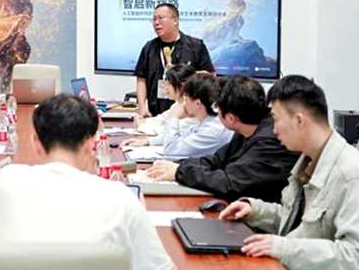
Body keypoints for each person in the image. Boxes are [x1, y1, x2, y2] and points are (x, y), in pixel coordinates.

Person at [193, 75, 359, 270]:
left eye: (276, 119)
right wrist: (255, 210)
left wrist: (282, 248)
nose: (273, 129)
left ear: (299, 121)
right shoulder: (309, 160)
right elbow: (297, 221)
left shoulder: (353, 177)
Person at [0, 94, 183, 270]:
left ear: (35, 143)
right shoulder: (121, 198)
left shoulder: (6, 180)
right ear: (90, 144)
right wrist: (142, 216)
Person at [145, 76, 298, 203]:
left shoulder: (269, 141)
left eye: (217, 108)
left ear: (231, 118)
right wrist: (177, 166)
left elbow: (229, 182)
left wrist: (180, 172)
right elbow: (217, 161)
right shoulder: (245, 129)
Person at [134, 3, 213, 118]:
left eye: (161, 18)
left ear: (175, 20)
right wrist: (142, 107)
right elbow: (141, 79)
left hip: (188, 116)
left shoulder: (196, 46)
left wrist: (184, 75)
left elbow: (210, 77)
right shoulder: (149, 47)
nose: (156, 23)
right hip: (156, 114)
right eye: (154, 19)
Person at [153, 73, 234, 158]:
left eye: (186, 99)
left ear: (197, 103)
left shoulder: (213, 129)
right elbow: (183, 135)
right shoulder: (208, 121)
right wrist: (150, 140)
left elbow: (171, 150)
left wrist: (174, 117)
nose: (184, 103)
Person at [127, 63, 197, 143]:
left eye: (169, 83)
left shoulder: (190, 107)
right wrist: (143, 121)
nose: (165, 88)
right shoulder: (178, 104)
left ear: (181, 86)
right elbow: (162, 119)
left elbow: (167, 132)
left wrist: (142, 125)